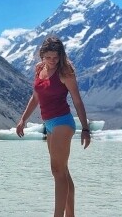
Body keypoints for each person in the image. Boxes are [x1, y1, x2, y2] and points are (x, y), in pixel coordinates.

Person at [16, 35, 91, 217]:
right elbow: (36, 97)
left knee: (57, 170)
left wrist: (85, 129)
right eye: (48, 57)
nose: (52, 61)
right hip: (48, 124)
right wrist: (23, 119)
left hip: (63, 122)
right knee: (62, 171)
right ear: (42, 56)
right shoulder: (39, 69)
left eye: (56, 57)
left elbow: (78, 101)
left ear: (61, 56)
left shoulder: (65, 73)